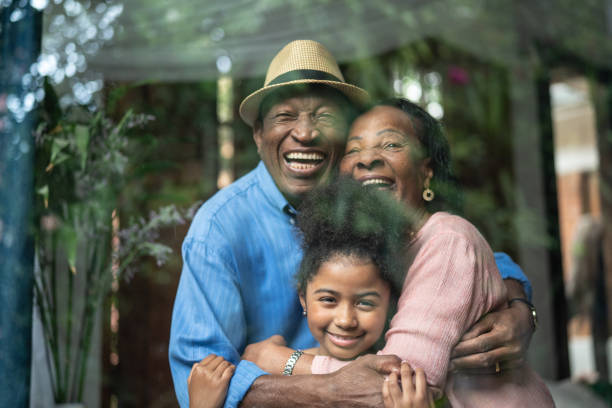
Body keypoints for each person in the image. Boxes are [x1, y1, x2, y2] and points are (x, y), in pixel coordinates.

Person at [169, 40, 535, 407]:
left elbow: (449, 251)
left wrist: (518, 306)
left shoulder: (360, 190)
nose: (306, 133)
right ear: (258, 133)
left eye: (323, 116)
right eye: (285, 116)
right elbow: (197, 383)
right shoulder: (219, 229)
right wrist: (329, 390)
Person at [246, 99, 553, 406]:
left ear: (426, 172)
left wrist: (283, 362)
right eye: (353, 150)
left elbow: (397, 385)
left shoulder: (448, 240)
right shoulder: (374, 250)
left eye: (390, 144)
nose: (367, 159)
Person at [188, 178, 435, 408]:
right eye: (328, 300)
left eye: (365, 303)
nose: (345, 320)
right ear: (303, 298)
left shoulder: (401, 385)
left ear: (390, 302)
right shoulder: (267, 372)